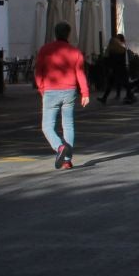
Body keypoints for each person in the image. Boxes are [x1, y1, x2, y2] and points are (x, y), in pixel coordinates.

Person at [33, 20, 90, 169]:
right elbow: (80, 73)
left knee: (47, 126)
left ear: (55, 33)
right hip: (70, 91)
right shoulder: (75, 52)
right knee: (68, 125)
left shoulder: (45, 50)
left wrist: (41, 88)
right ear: (68, 34)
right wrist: (85, 92)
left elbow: (39, 71)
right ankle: (66, 160)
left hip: (50, 91)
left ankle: (59, 147)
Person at [103, 33, 133, 104]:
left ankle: (129, 96)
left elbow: (110, 61)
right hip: (122, 68)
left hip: (117, 69)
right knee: (124, 83)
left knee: (121, 83)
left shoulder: (113, 50)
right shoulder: (122, 49)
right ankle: (129, 96)